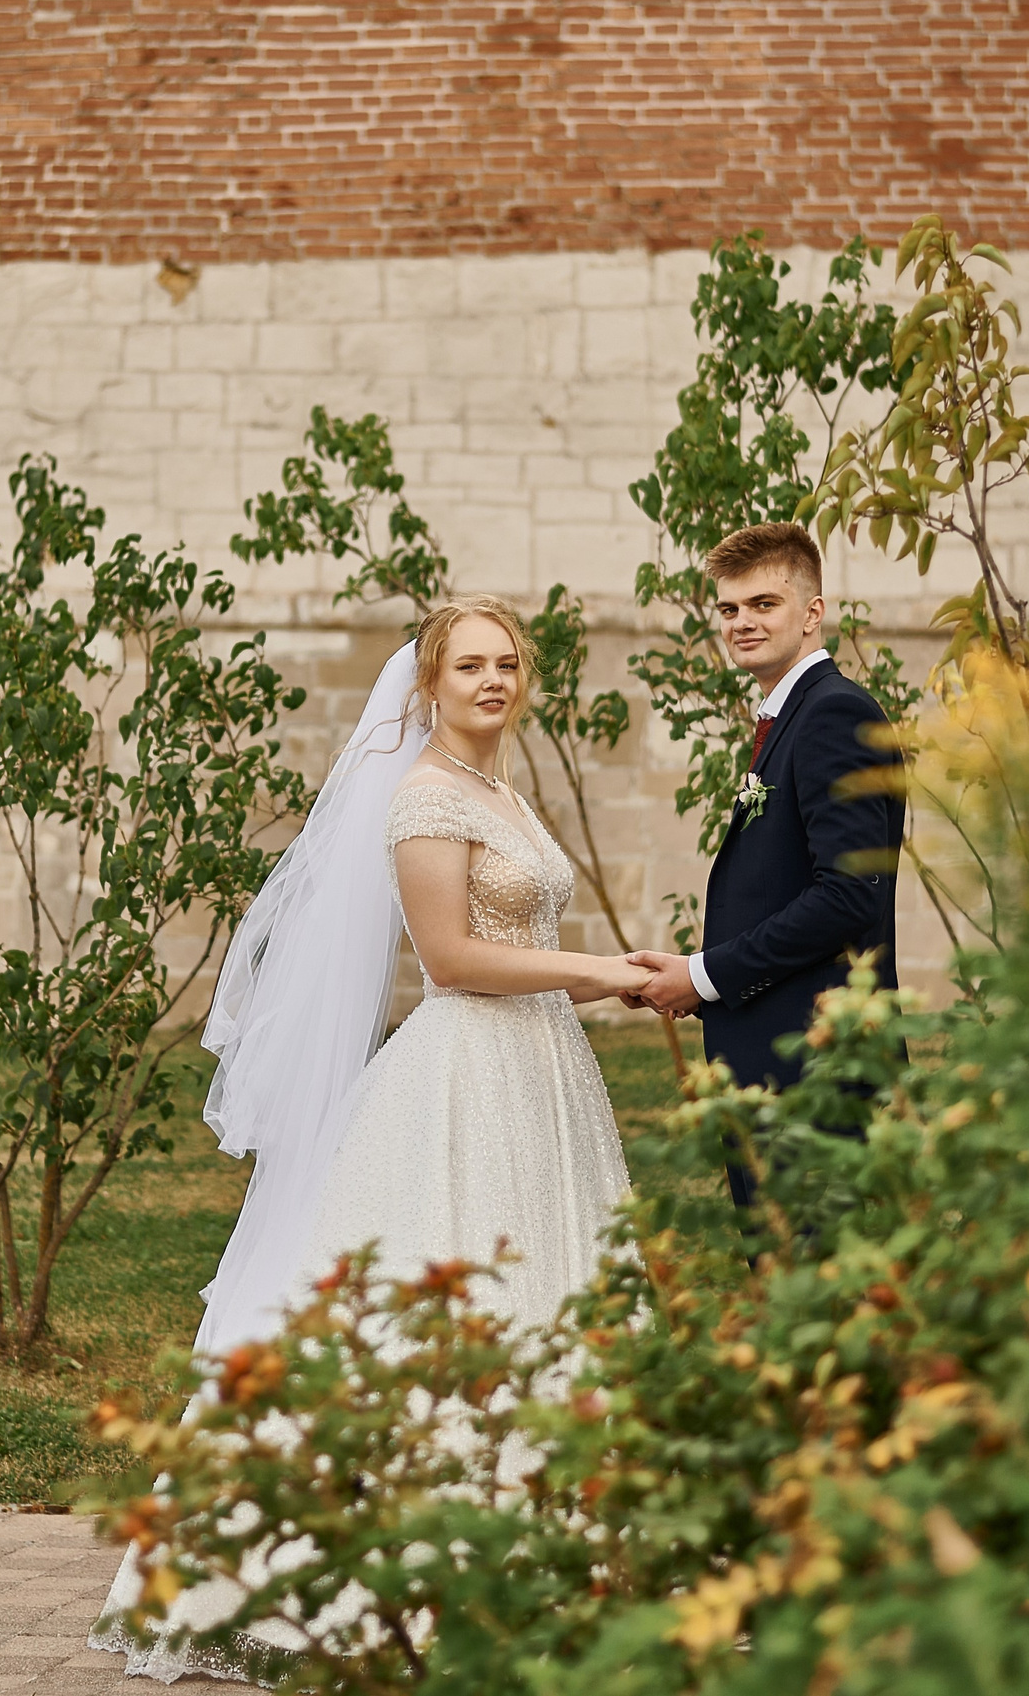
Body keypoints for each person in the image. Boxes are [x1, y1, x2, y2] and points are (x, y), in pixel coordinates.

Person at [91, 595, 654, 1682]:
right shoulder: (422, 797)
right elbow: (449, 957)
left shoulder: (500, 788)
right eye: (470, 666)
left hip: (541, 1075)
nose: (493, 680)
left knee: (549, 1287)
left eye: (506, 663)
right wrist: (598, 970)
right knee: (452, 1302)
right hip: (463, 1070)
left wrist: (590, 983)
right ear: (430, 686)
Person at [627, 522, 903, 1207]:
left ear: (813, 613)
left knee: (822, 1287)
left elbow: (848, 895)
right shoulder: (794, 716)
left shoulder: (833, 715)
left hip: (816, 1066)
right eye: (728, 609)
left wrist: (704, 974)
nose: (741, 622)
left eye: (762, 604)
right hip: (781, 1059)